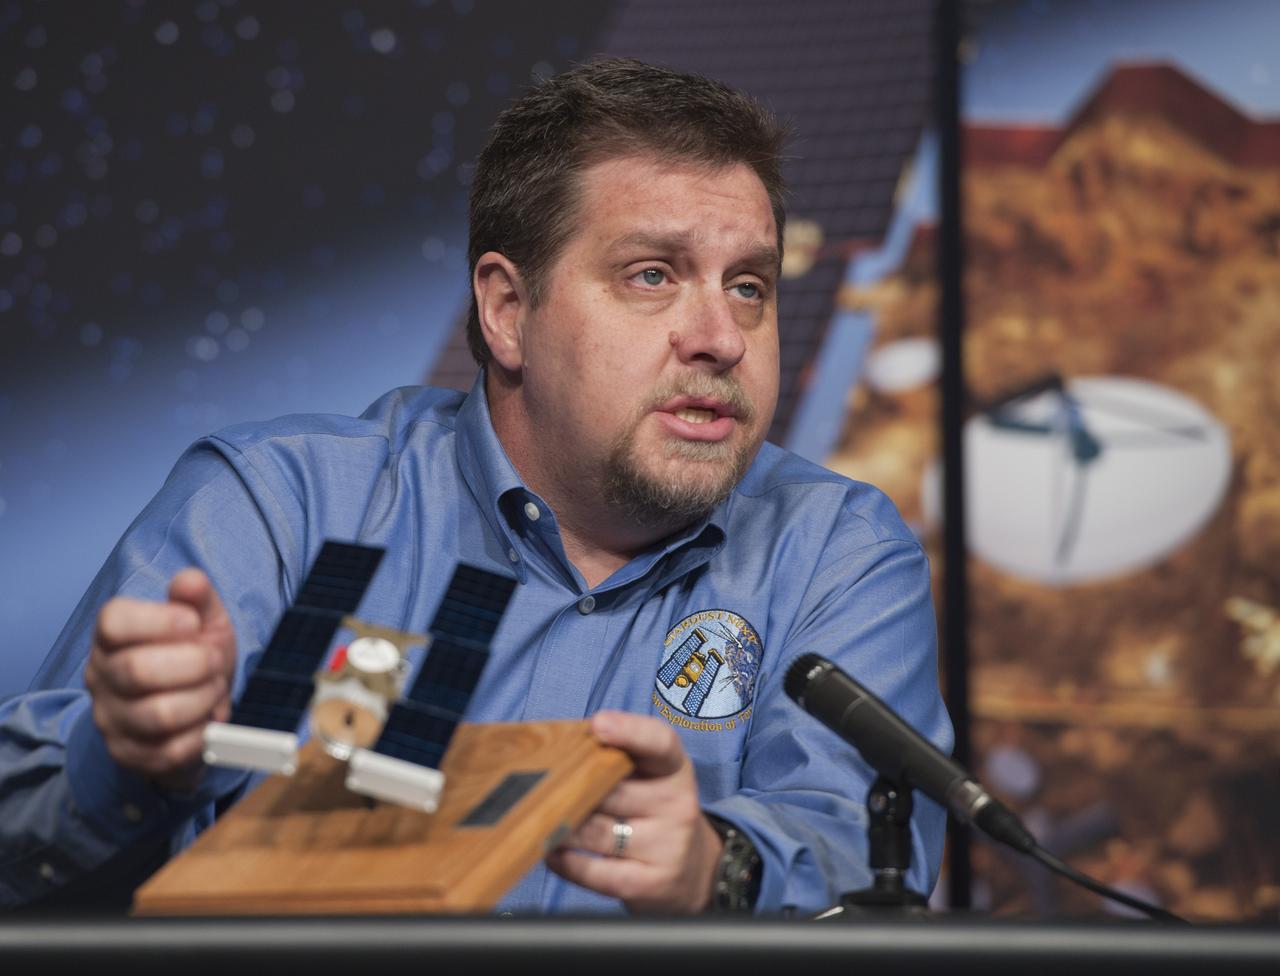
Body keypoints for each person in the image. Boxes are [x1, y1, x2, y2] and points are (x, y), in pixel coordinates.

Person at [0, 57, 952, 916]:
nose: (721, 336)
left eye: (750, 285)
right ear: (506, 312)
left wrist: (718, 866)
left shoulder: (837, 550)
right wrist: (123, 764)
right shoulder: (279, 507)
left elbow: (870, 857)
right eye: (653, 275)